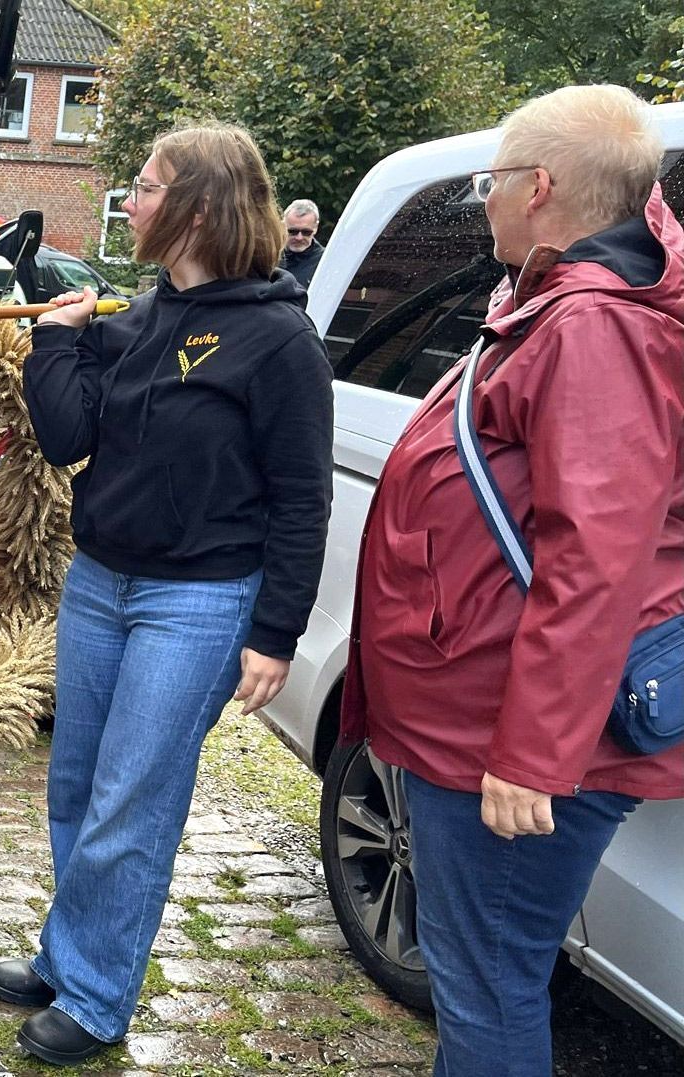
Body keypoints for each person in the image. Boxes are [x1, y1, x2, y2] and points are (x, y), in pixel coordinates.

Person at [342, 85, 684, 1077]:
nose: (480, 200)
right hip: (485, 709)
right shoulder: (565, 301)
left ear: (538, 188)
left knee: (488, 981)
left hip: (504, 730)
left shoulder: (596, 324)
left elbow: (597, 555)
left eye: (488, 181)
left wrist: (534, 754)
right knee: (483, 976)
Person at [0, 122, 333, 1064]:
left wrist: (276, 632)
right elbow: (67, 438)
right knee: (76, 782)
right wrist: (54, 343)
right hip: (100, 583)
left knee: (131, 798)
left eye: (144, 187)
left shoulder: (280, 341)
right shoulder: (140, 319)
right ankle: (70, 953)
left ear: (199, 210)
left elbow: (303, 498)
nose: (131, 201)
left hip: (200, 602)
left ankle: (99, 997)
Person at [280, 199, 323, 286]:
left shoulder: (324, 261)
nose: (299, 238)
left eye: (306, 232)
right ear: (283, 227)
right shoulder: (270, 257)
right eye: (292, 231)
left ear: (315, 228)